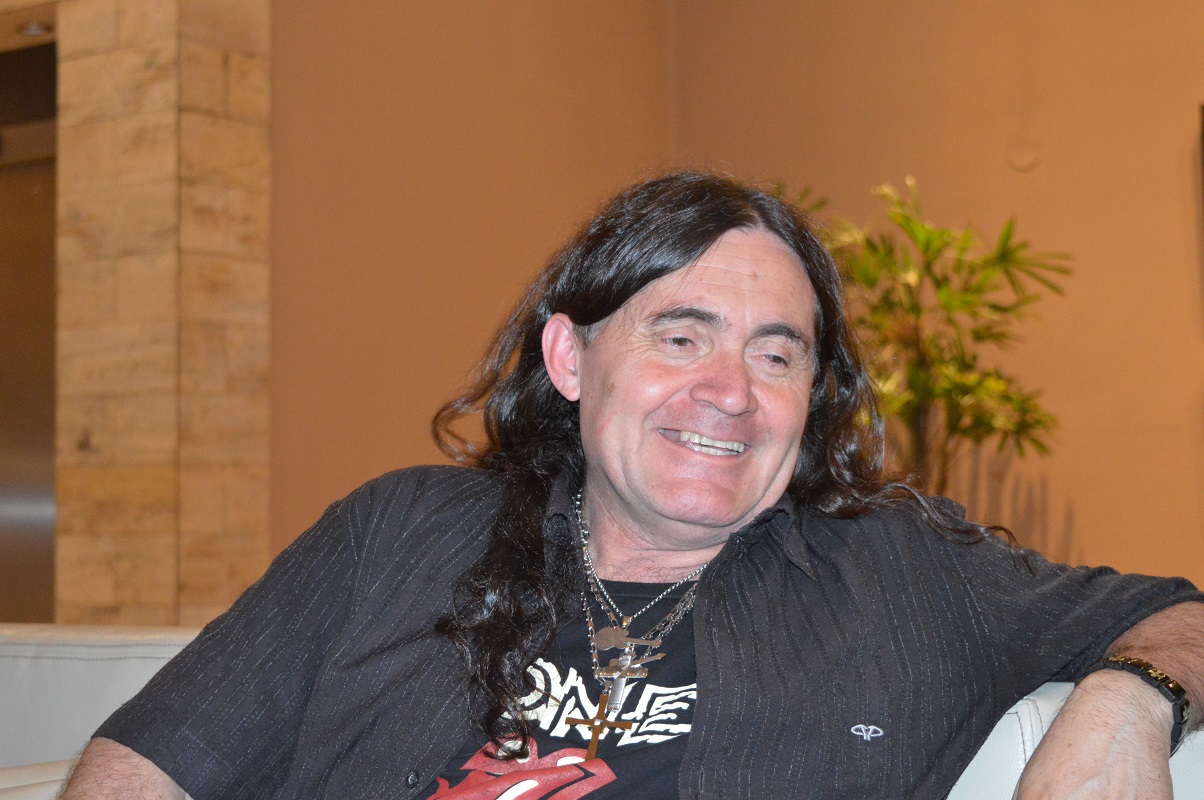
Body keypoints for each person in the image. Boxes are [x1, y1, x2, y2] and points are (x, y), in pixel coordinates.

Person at [64, 172, 1202, 799]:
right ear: (571, 358)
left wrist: (1127, 704)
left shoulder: (900, 569)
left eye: (776, 355)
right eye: (681, 336)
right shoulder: (393, 533)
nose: (730, 391)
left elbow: (1182, 615)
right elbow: (151, 766)